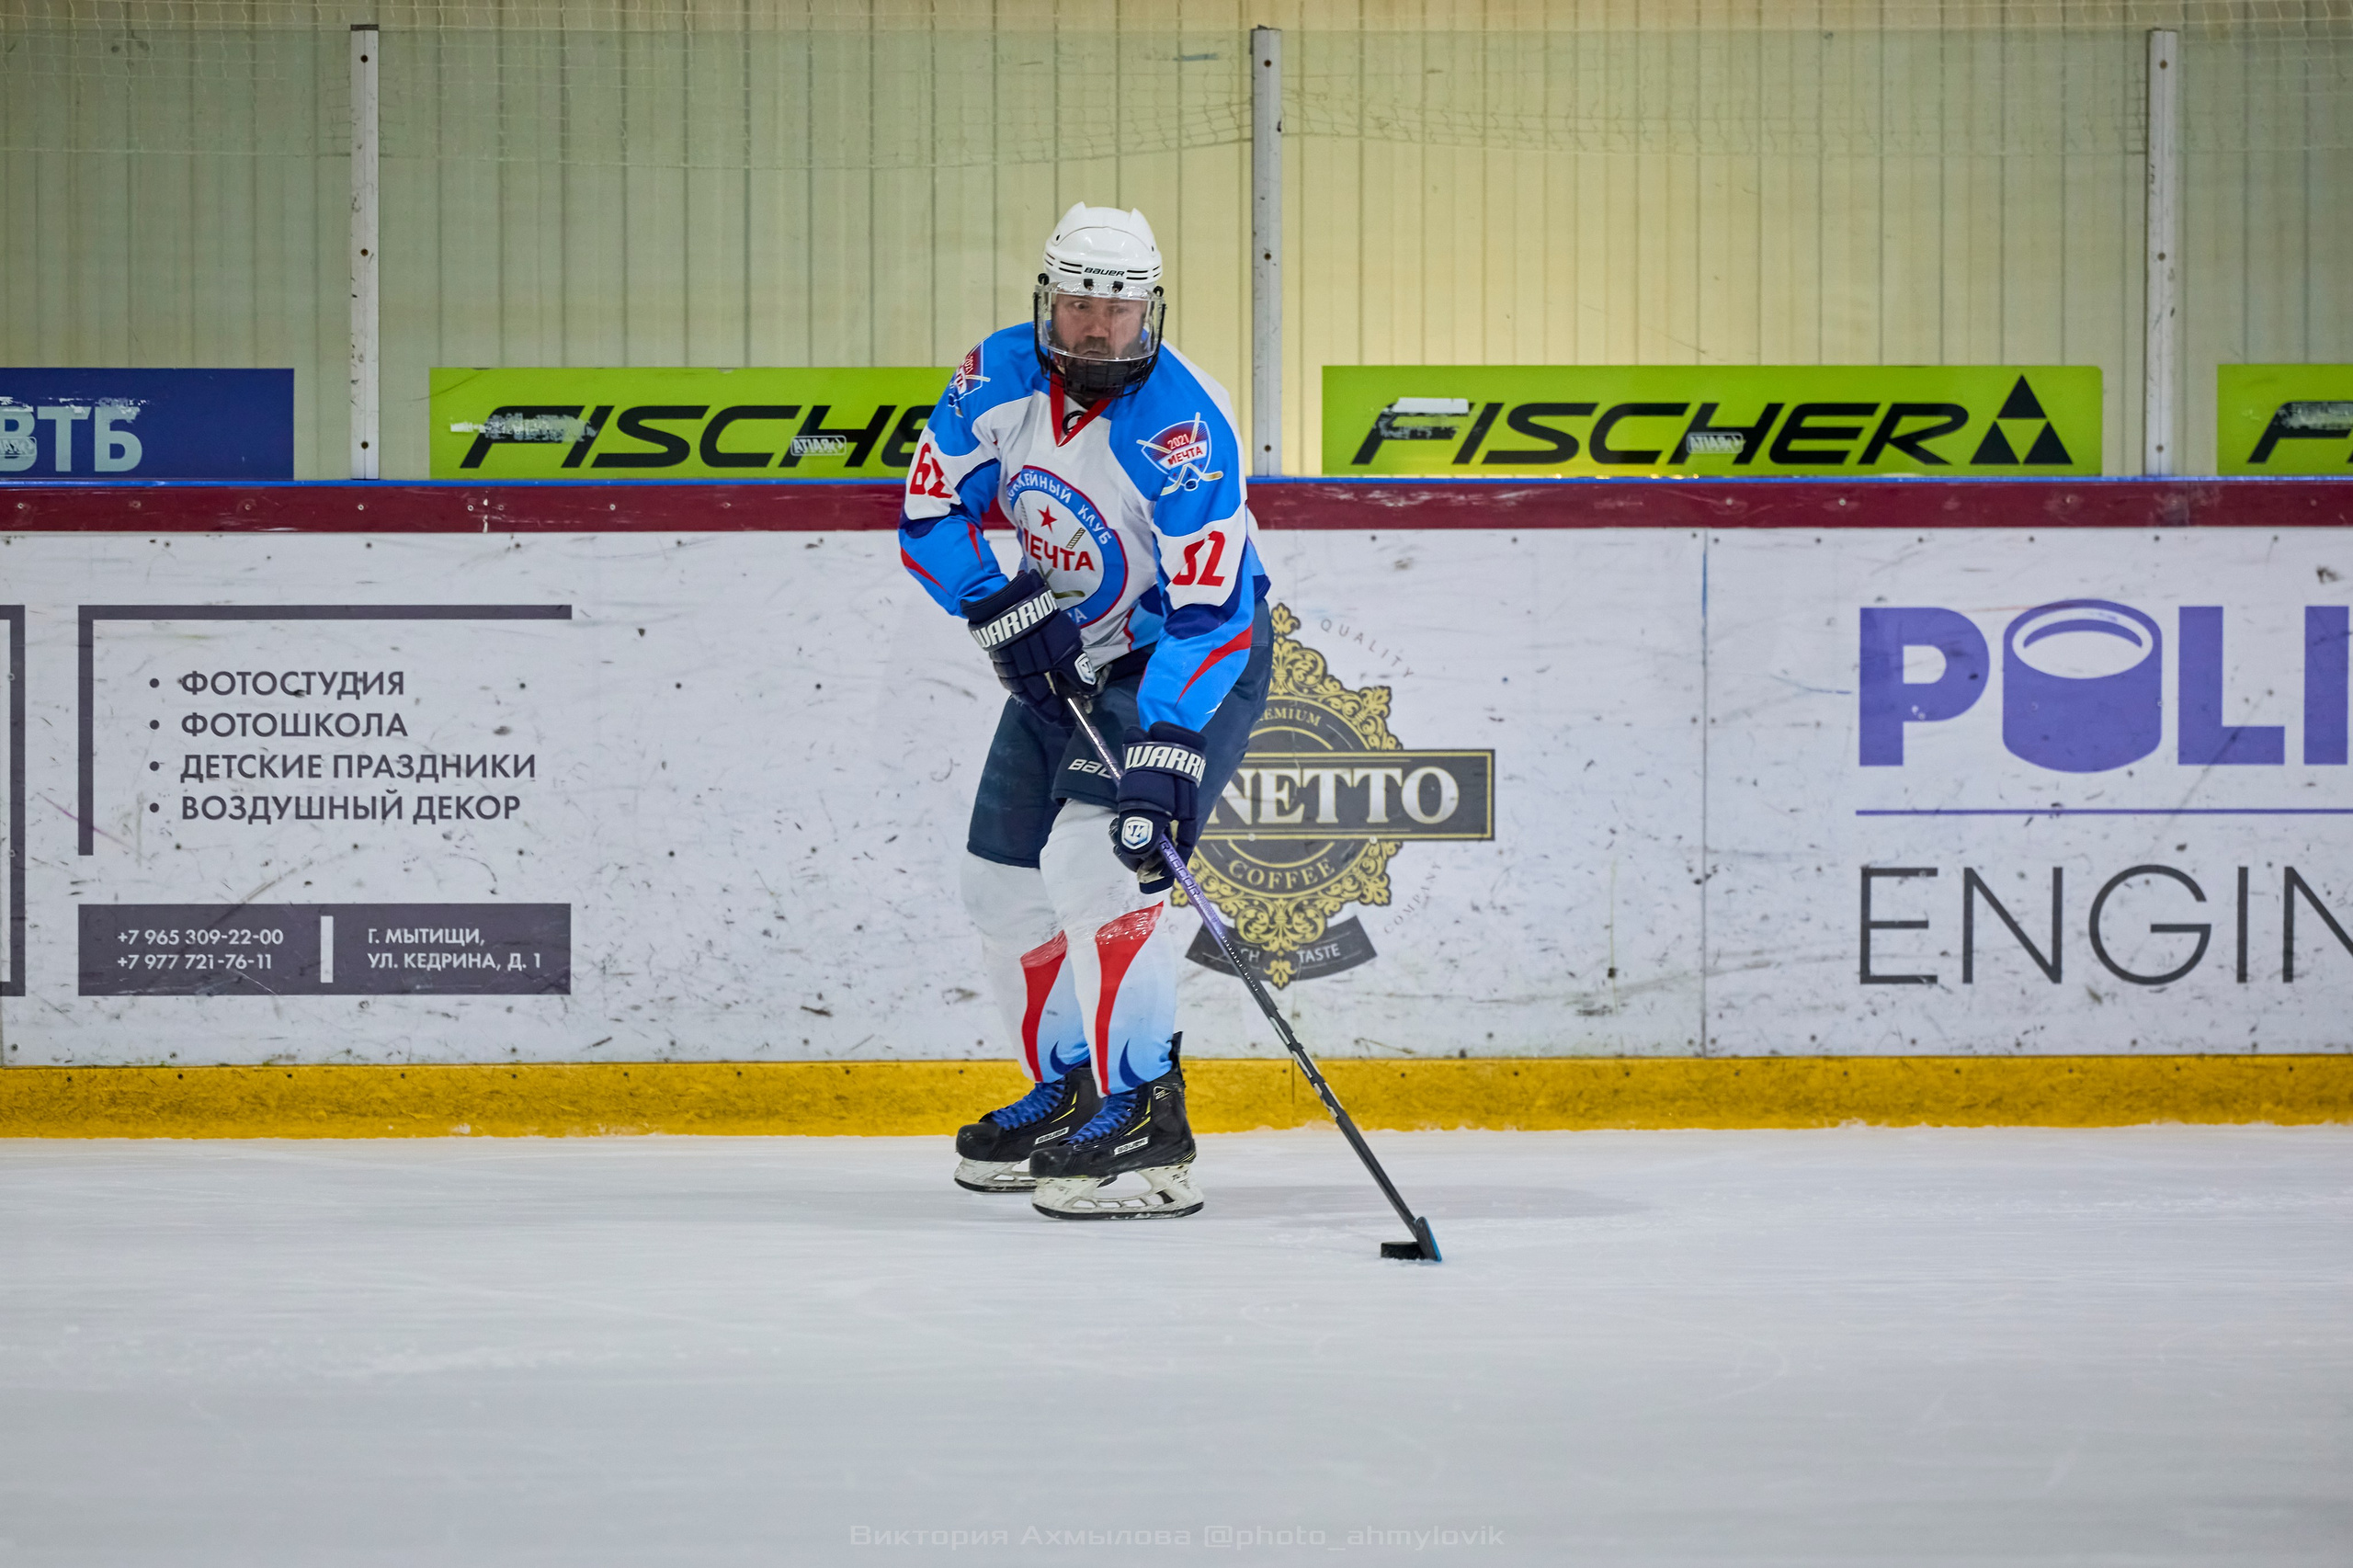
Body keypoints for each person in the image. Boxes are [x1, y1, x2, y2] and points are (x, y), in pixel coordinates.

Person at [896, 202, 1272, 1221]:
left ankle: (1149, 1117)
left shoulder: (1188, 427)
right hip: (1060, 656)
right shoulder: (992, 376)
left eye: (1117, 310)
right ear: (1045, 301)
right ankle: (1069, 1091)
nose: (1095, 328)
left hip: (1183, 654)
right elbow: (928, 515)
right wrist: (993, 598)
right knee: (1000, 882)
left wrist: (1167, 743)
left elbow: (1213, 610)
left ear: (1148, 310)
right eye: (1076, 305)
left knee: (1097, 858)